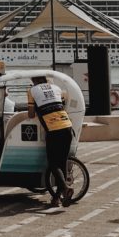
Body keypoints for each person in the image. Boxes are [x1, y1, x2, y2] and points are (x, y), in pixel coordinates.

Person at [28, 75, 74, 207]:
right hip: (67, 127)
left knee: (53, 163)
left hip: (53, 130)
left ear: (34, 81)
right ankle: (58, 198)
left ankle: (65, 189)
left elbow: (31, 114)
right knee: (62, 163)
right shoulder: (56, 88)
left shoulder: (32, 90)